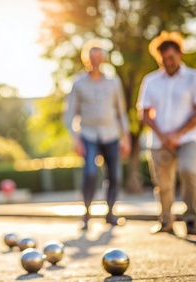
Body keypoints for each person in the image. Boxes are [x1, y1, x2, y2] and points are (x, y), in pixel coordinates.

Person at [137, 31, 196, 235]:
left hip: (189, 138)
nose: (167, 62)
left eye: (171, 57)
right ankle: (166, 221)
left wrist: (177, 135)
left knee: (188, 171)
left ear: (179, 54)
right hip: (159, 141)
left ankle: (192, 220)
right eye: (162, 59)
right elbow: (143, 113)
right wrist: (163, 136)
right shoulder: (151, 81)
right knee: (163, 184)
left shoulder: (195, 78)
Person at [64, 41, 131, 230]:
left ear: (103, 59)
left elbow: (121, 112)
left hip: (111, 134)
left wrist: (126, 138)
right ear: (87, 60)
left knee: (115, 175)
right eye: (92, 58)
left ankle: (110, 214)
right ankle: (86, 213)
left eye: (99, 57)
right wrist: (75, 139)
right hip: (88, 134)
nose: (96, 61)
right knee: (90, 172)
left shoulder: (114, 82)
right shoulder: (78, 84)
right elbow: (70, 114)